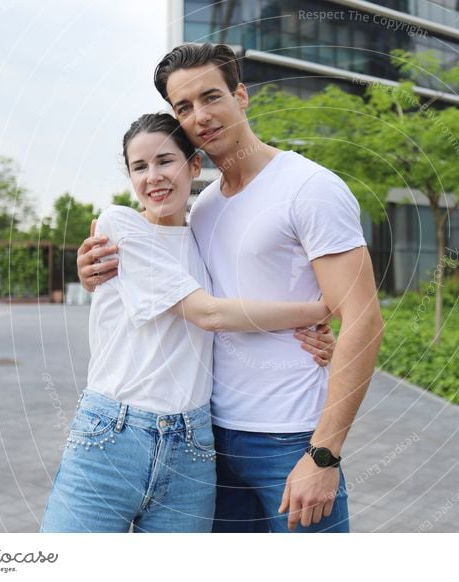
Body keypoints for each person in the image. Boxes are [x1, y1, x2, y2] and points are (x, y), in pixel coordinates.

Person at [78, 43, 384, 532]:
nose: (200, 116)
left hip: (288, 439)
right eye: (184, 107)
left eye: (211, 96)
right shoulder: (204, 208)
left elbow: (364, 320)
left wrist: (323, 454)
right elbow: (171, 274)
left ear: (241, 95)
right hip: (207, 443)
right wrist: (94, 263)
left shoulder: (309, 188)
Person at [41, 112, 334, 533]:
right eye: (139, 167)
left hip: (193, 448)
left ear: (194, 166)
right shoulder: (117, 226)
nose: (153, 176)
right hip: (111, 436)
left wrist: (319, 339)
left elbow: (244, 298)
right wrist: (319, 308)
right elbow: (211, 313)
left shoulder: (205, 234)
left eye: (165, 161)